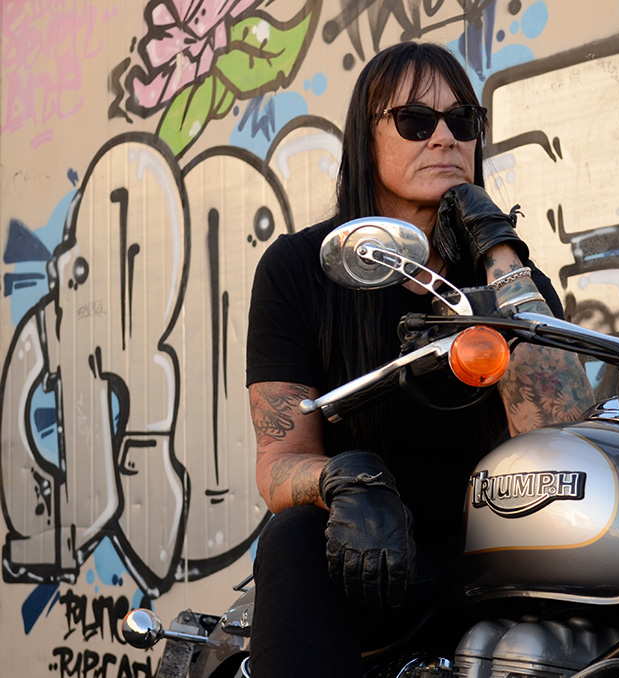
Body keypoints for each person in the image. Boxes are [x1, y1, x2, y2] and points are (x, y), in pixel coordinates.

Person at [245, 41, 594, 676]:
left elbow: (564, 440)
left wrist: (498, 252)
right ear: (366, 139)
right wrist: (342, 480)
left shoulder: (511, 280)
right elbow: (277, 463)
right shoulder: (298, 269)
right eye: (415, 121)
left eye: (463, 122)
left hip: (493, 561)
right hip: (368, 558)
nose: (443, 138)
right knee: (294, 538)